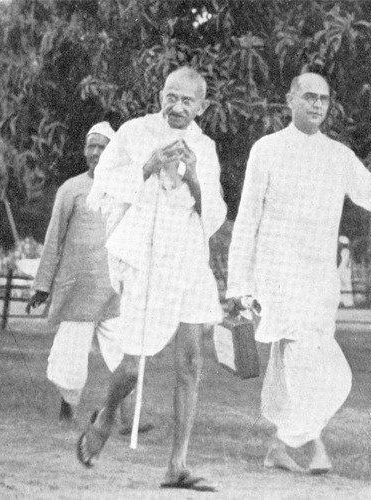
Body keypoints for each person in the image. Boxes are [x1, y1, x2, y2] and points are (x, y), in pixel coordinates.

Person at [226, 72, 371, 474]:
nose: (316, 104)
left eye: (323, 98)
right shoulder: (266, 149)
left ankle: (279, 446)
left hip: (319, 280)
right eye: (308, 96)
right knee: (314, 367)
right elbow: (247, 218)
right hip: (277, 278)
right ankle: (314, 449)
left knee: (297, 367)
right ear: (290, 100)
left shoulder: (337, 155)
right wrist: (238, 286)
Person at [78, 67, 226, 492]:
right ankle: (107, 416)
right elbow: (102, 186)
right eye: (171, 97)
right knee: (131, 367)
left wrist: (193, 175)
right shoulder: (134, 131)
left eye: (187, 101)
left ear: (202, 106)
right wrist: (148, 165)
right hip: (146, 258)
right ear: (160, 95)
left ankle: (177, 464)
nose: (177, 107)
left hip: (188, 257)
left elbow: (214, 210)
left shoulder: (206, 147)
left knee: (191, 362)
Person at [26, 122, 150, 434]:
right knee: (70, 357)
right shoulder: (71, 189)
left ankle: (127, 421)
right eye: (91, 146)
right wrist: (42, 286)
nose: (96, 152)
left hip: (114, 291)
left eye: (102, 147)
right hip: (78, 289)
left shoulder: (128, 189)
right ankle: (66, 415)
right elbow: (54, 239)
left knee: (124, 356)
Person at [337, 236, 354, 307]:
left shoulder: (344, 251)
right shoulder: (348, 251)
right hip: (346, 271)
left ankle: (346, 302)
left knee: (344, 286)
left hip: (344, 271)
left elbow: (344, 262)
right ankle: (345, 302)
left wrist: (339, 270)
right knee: (345, 286)